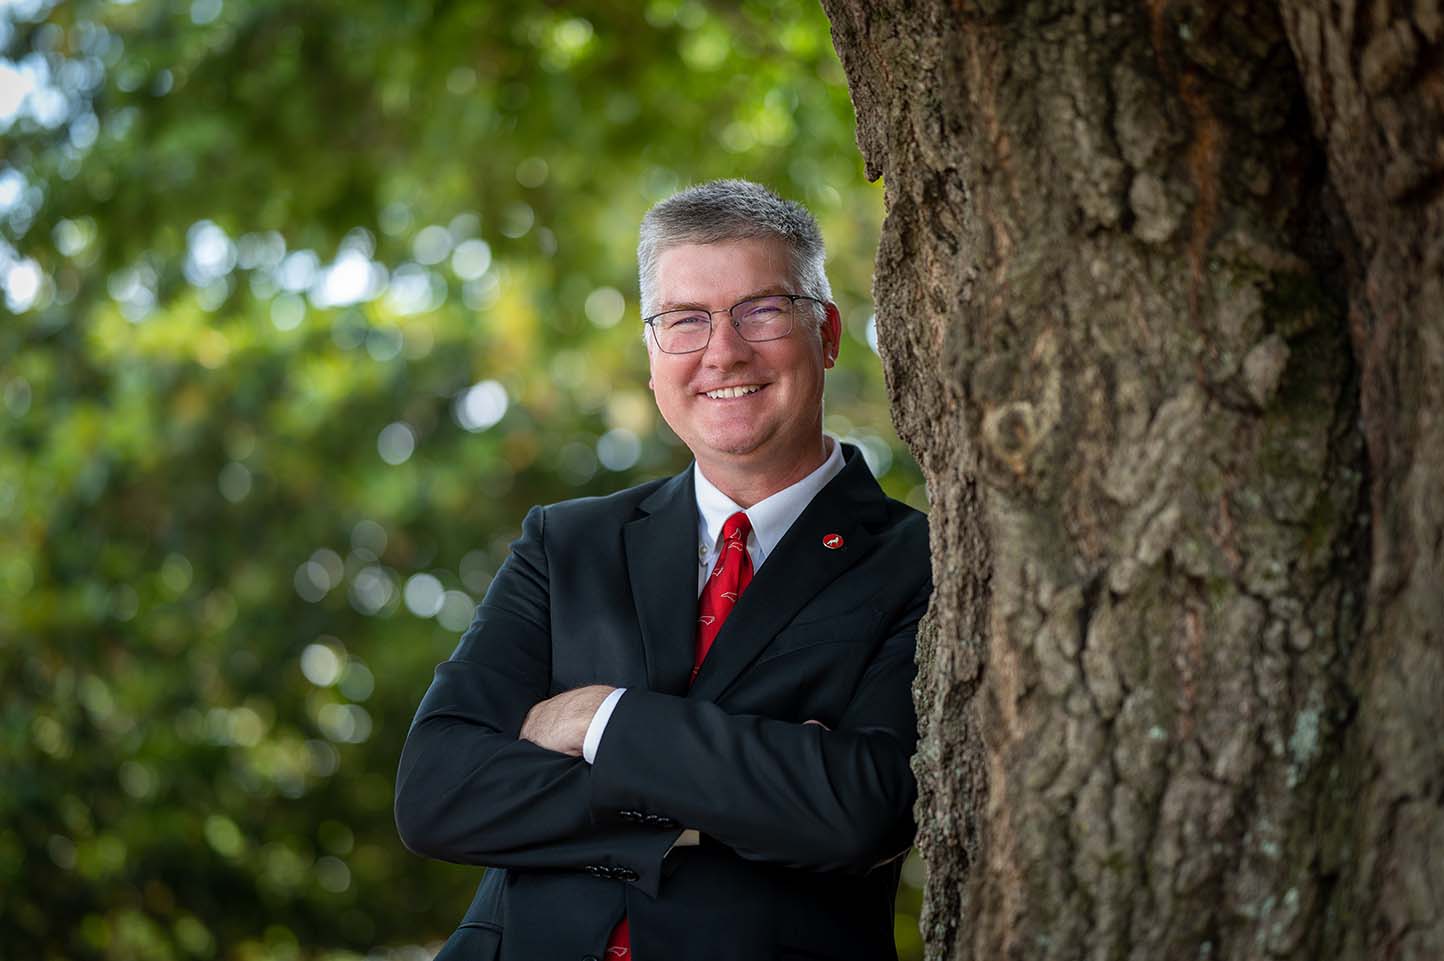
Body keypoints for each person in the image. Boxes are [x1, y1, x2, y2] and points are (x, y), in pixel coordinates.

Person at [395, 179, 931, 960]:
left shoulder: (918, 560)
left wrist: (602, 719)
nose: (723, 350)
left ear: (827, 333)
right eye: (686, 320)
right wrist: (747, 791)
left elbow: (861, 809)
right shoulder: (565, 542)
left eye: (762, 309)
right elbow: (437, 791)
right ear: (653, 357)